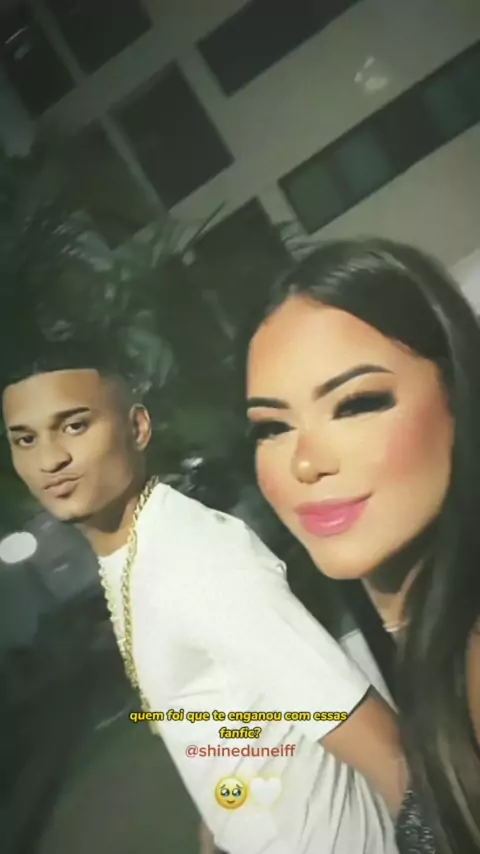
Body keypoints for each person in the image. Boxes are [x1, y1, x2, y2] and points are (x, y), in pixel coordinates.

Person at [1, 336, 405, 854]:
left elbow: (385, 750)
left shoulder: (197, 558)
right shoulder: (133, 553)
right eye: (25, 439)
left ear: (137, 428)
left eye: (75, 426)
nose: (50, 459)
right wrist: (220, 821)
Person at [243, 237, 480, 853]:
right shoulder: (417, 636)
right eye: (272, 426)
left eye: (355, 404)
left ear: (459, 395)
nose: (305, 463)